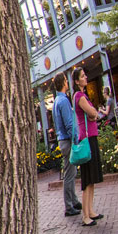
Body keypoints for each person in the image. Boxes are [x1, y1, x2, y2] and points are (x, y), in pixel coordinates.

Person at [73, 68, 106, 227]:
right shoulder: (79, 96)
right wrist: (93, 113)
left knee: (91, 177)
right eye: (82, 76)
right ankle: (85, 215)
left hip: (90, 137)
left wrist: (94, 113)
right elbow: (92, 113)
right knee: (87, 178)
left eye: (85, 75)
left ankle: (90, 210)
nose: (86, 78)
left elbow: (95, 114)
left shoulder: (83, 95)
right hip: (86, 139)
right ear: (76, 81)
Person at [52, 74, 82, 218]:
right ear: (64, 82)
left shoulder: (57, 100)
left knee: (71, 172)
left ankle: (74, 201)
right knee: (70, 174)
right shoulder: (63, 101)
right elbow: (69, 124)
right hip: (67, 140)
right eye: (66, 80)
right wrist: (76, 139)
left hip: (62, 140)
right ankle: (69, 206)